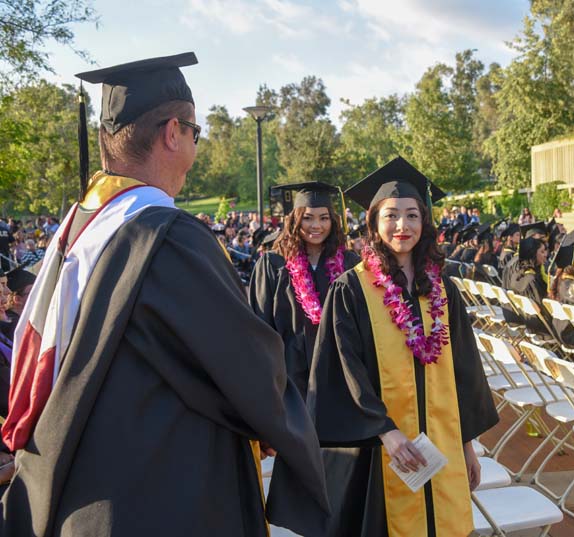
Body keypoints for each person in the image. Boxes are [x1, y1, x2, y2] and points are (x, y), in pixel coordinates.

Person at [0, 53, 329, 537]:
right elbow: (246, 366)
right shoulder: (166, 235)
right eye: (196, 133)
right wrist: (293, 430)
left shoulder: (78, 230)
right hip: (163, 492)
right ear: (173, 133)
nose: (195, 144)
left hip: (80, 492)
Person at [309, 156, 498, 537]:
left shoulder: (443, 288)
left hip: (442, 446)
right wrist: (387, 432)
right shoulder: (352, 289)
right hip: (382, 450)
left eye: (412, 215)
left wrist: (467, 446)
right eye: (391, 215)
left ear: (424, 222)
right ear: (375, 223)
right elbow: (346, 367)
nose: (402, 226)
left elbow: (464, 371)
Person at [249, 182, 359, 399]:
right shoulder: (273, 264)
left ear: (333, 221)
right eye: (307, 217)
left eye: (324, 218)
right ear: (295, 219)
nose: (316, 225)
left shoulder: (349, 264)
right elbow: (259, 323)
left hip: (339, 376)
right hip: (289, 377)